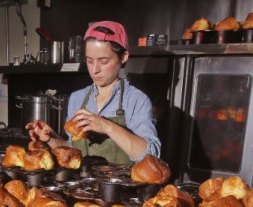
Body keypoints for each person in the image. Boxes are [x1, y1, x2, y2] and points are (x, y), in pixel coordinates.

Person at [26, 21, 161, 165]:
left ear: (123, 57)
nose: (95, 69)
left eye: (103, 61)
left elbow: (150, 155)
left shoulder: (136, 100)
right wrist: (51, 139)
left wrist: (106, 126)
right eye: (89, 61)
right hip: (82, 186)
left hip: (120, 187)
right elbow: (73, 151)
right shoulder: (77, 98)